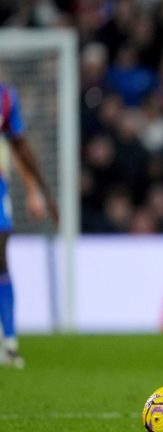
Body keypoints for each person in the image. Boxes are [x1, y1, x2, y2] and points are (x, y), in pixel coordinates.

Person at [0, 81, 59, 368]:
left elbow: (18, 145)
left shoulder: (5, 97)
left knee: (0, 260)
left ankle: (9, 343)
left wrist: (37, 191)